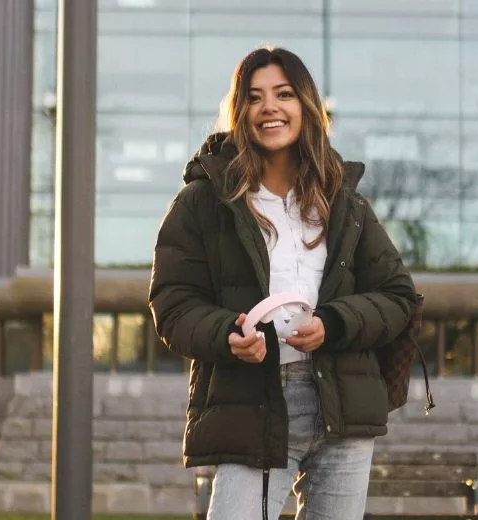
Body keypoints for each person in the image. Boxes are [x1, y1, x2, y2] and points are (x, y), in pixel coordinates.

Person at [148, 47, 417, 520]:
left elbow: (398, 298)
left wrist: (333, 323)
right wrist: (227, 335)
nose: (269, 107)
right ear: (240, 112)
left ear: (305, 106)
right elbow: (172, 304)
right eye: (254, 97)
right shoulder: (203, 201)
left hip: (343, 404)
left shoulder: (344, 202)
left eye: (283, 94)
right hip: (253, 402)